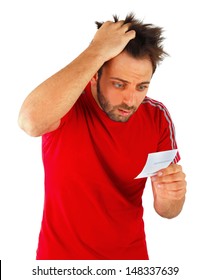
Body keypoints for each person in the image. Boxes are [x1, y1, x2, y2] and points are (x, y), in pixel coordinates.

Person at [18, 13, 187, 260]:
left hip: (130, 264)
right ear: (94, 74)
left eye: (141, 87)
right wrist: (96, 50)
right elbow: (29, 122)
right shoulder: (67, 103)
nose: (130, 101)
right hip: (61, 263)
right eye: (119, 84)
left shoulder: (157, 117)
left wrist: (173, 196)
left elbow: (167, 211)